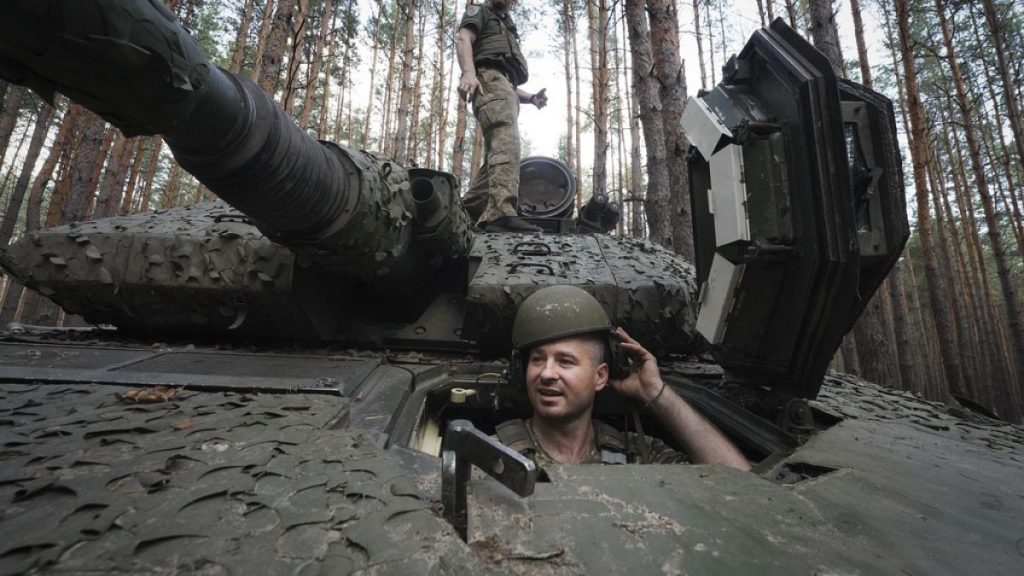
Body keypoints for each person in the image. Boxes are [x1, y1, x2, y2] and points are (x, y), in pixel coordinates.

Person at [499, 285, 750, 471]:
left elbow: (739, 484)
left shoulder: (638, 453)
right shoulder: (493, 455)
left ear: (600, 377)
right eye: (538, 359)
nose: (547, 373)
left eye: (565, 361)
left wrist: (655, 392)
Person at [455, 0, 548, 233]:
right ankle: (500, 214)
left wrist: (531, 99)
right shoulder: (481, 12)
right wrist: (468, 72)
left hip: (503, 86)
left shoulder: (506, 25)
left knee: (499, 156)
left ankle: (462, 214)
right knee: (507, 146)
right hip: (489, 81)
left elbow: (506, 81)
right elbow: (463, 38)